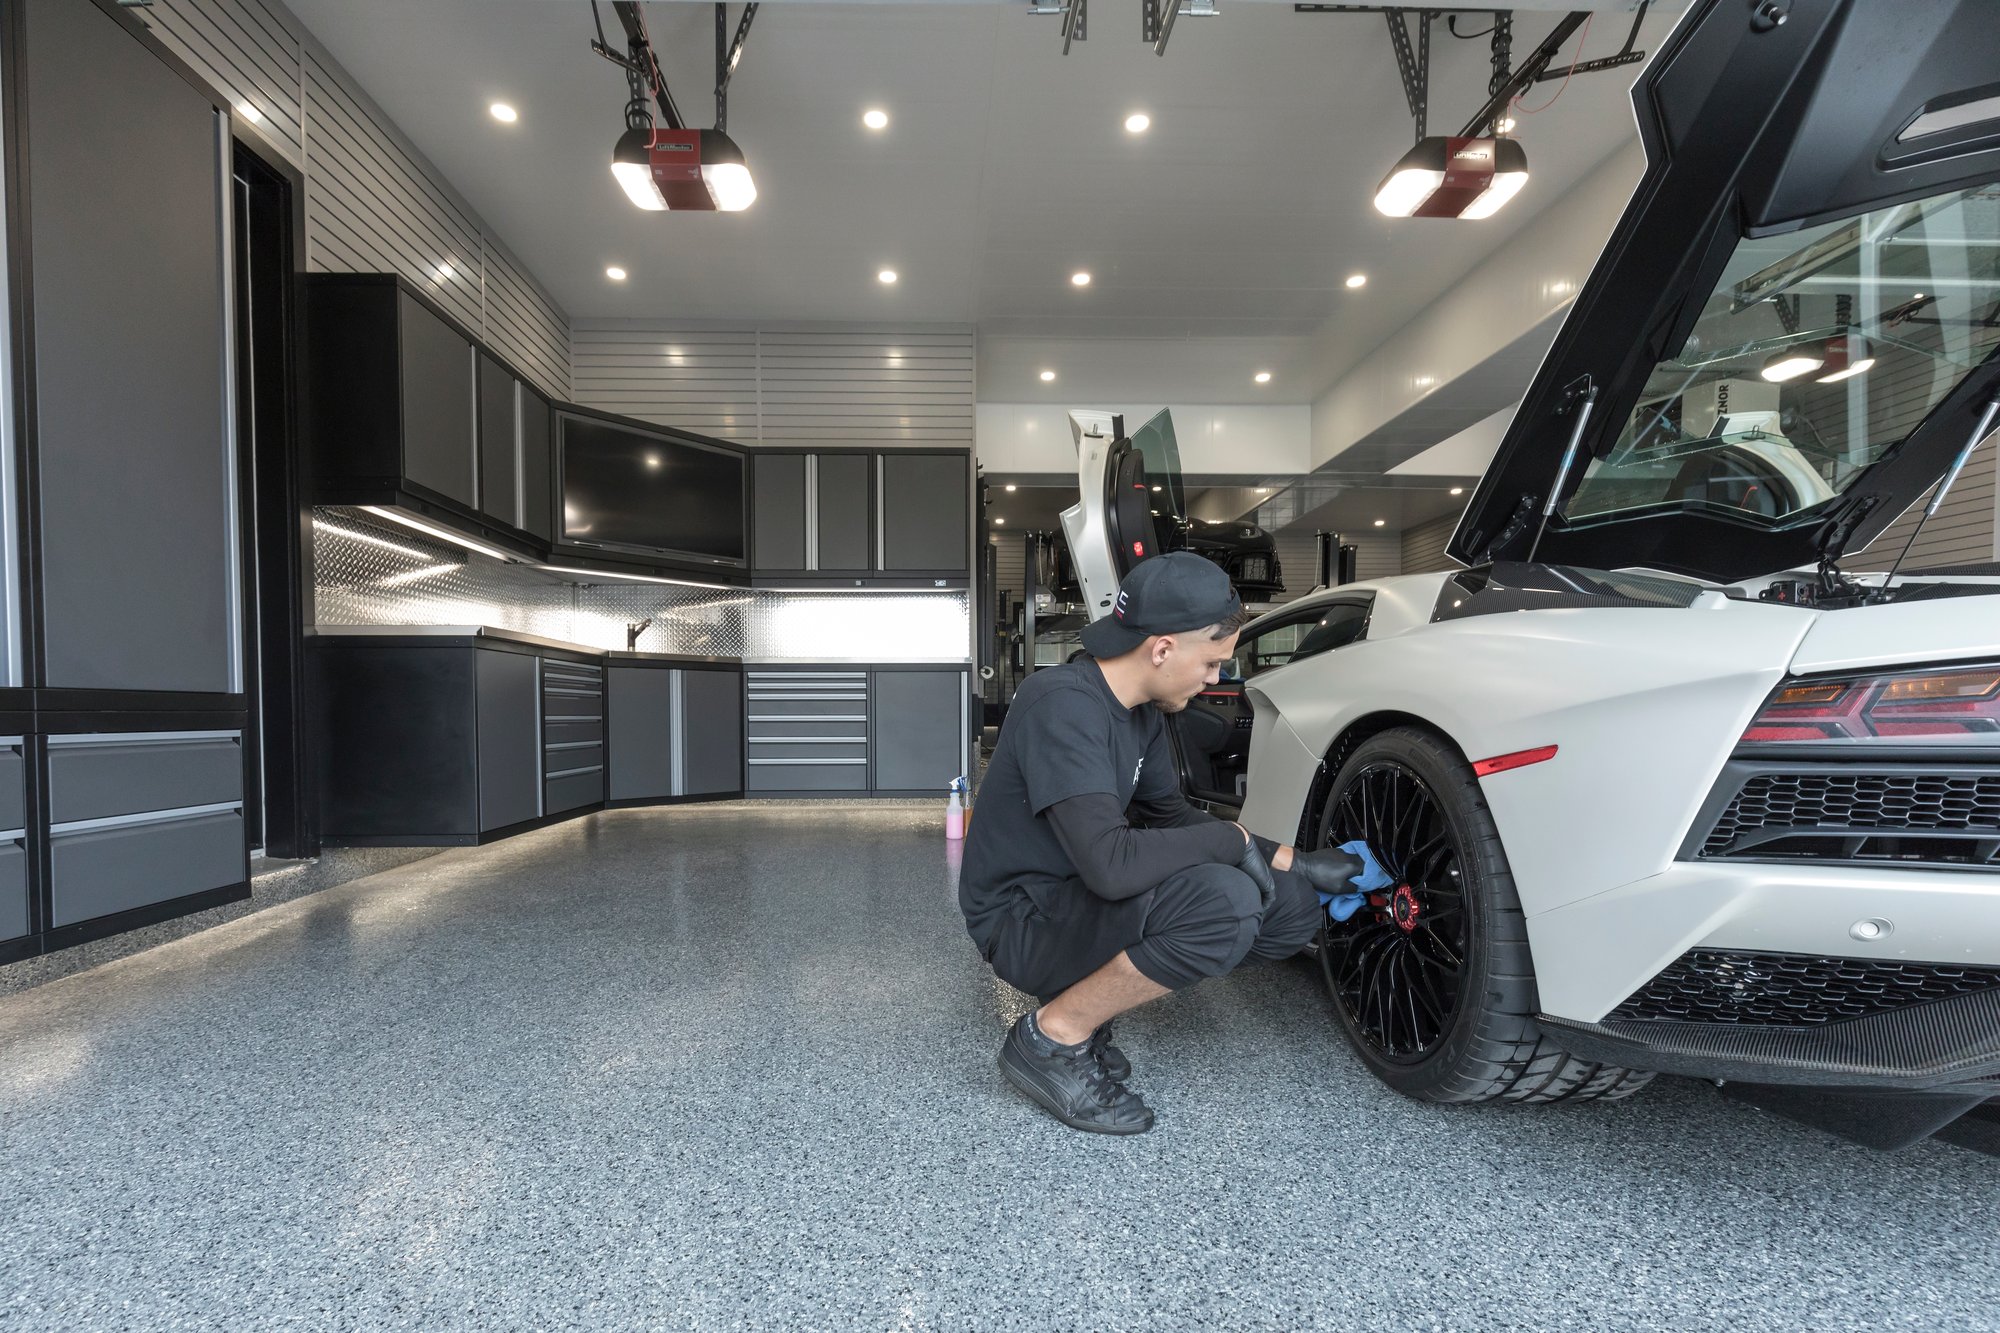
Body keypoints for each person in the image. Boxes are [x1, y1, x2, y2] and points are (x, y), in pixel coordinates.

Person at [960, 552, 1378, 1134]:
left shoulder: (1143, 713)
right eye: (1211, 662)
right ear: (1162, 648)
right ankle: (1053, 1035)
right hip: (1021, 917)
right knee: (1223, 905)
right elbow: (1110, 865)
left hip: (1075, 898)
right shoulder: (1060, 704)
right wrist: (1230, 840)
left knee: (1289, 905)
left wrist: (1299, 862)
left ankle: (1090, 1001)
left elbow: (1170, 815)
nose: (1215, 679)